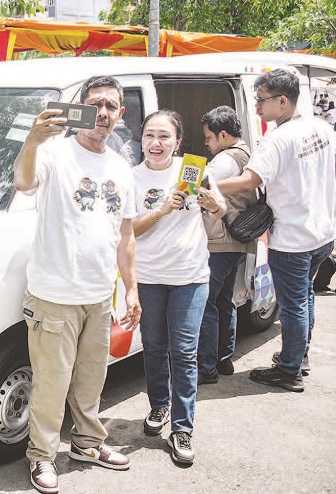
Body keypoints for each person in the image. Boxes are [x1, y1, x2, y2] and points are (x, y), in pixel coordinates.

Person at [14, 76, 141, 494]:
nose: (102, 114)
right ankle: (42, 457)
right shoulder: (53, 153)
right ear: (79, 109)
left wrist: (132, 289)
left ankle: (87, 445)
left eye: (111, 107)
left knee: (92, 379)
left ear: (120, 115)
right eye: (95, 104)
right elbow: (23, 182)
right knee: (51, 384)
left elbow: (126, 237)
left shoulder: (122, 168)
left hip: (99, 295)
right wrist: (32, 139)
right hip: (54, 294)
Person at [218, 68, 336, 392]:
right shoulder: (322, 129)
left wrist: (206, 181)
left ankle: (288, 370)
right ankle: (300, 357)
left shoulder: (278, 139)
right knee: (305, 297)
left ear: (282, 101)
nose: (256, 108)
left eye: (261, 101)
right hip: (323, 233)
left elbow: (250, 180)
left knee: (295, 303)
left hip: (294, 240)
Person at [132, 110, 227, 466]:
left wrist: (212, 203)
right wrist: (162, 208)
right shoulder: (131, 177)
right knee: (154, 347)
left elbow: (221, 209)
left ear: (178, 142)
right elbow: (130, 231)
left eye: (164, 137)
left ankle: (182, 427)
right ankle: (159, 406)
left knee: (184, 352)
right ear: (141, 139)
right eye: (149, 136)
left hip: (189, 277)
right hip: (148, 277)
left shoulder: (192, 169)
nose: (156, 143)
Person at [197, 106, 257, 384]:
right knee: (225, 300)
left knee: (207, 302)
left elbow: (196, 183)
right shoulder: (246, 153)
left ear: (222, 135)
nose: (207, 144)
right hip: (236, 240)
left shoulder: (224, 160)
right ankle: (224, 358)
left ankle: (206, 366)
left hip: (220, 240)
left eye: (209, 138)